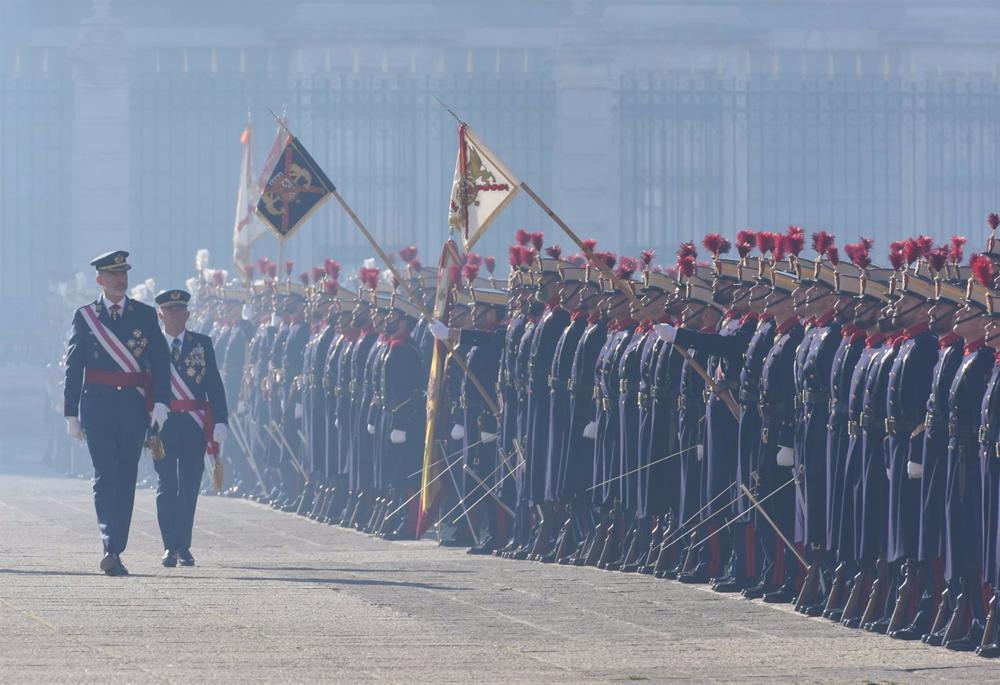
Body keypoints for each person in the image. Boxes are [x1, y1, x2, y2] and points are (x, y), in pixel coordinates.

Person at [63, 250, 171, 576]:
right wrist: (70, 413)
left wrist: (162, 403)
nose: (120, 280)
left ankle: (116, 546)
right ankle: (111, 546)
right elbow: (73, 367)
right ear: (100, 279)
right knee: (104, 476)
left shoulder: (144, 314)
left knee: (126, 478)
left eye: (123, 273)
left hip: (133, 409)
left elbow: (160, 363)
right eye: (113, 274)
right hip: (96, 407)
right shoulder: (85, 316)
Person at [153, 288, 229, 567]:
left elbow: (214, 385)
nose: (175, 315)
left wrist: (221, 419)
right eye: (169, 310)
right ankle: (168, 545)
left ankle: (184, 545)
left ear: (187, 313)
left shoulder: (201, 343)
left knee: (189, 484)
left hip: (194, 424)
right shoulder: (151, 344)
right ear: (160, 313)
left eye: (179, 310)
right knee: (165, 484)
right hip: (162, 424)